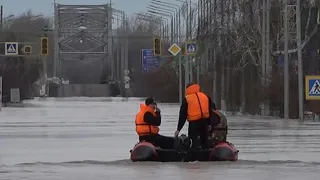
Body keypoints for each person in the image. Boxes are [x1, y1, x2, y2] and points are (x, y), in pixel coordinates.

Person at [174, 83, 220, 149]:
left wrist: (178, 129)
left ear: (187, 89)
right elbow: (210, 111)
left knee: (193, 141)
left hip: (194, 124)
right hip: (205, 122)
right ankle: (205, 154)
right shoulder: (205, 96)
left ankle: (194, 154)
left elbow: (182, 116)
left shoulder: (187, 99)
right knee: (204, 141)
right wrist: (210, 124)